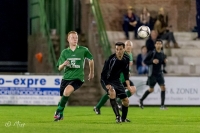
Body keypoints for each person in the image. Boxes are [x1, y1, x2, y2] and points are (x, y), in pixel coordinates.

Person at [54, 31, 94, 121]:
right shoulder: (64, 52)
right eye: (72, 37)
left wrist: (91, 73)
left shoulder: (83, 50)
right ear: (68, 39)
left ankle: (57, 111)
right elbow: (59, 68)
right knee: (61, 99)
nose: (75, 39)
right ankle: (60, 115)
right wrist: (64, 64)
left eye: (76, 37)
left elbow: (91, 60)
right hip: (66, 78)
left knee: (67, 92)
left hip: (77, 78)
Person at [93, 40, 136, 116]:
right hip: (118, 77)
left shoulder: (129, 56)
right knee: (112, 92)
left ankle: (118, 102)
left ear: (132, 46)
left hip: (123, 77)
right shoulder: (118, 56)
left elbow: (126, 69)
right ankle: (99, 106)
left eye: (130, 45)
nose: (128, 46)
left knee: (132, 89)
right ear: (124, 48)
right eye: (127, 45)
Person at [139, 39, 168, 110]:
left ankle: (162, 106)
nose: (158, 45)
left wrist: (165, 62)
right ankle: (141, 100)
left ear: (161, 45)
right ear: (155, 45)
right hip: (152, 74)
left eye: (159, 44)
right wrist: (152, 61)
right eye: (157, 43)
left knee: (163, 88)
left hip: (159, 73)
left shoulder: (163, 54)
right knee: (151, 90)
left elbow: (163, 64)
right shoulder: (152, 53)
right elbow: (145, 61)